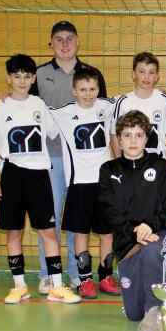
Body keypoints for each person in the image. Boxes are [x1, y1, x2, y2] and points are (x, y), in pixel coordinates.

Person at [0, 54, 80, 304]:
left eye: (26, 76)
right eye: (16, 76)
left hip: (38, 175)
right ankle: (19, 286)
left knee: (48, 231)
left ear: (33, 78)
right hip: (12, 175)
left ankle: (56, 286)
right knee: (13, 232)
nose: (21, 80)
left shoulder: (39, 104)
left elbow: (54, 131)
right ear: (8, 78)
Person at [32, 21, 108, 293]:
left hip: (84, 163)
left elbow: (102, 117)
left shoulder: (91, 74)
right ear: (51, 43)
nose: (64, 43)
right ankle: (48, 273)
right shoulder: (39, 74)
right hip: (50, 159)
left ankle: (78, 274)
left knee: (80, 220)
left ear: (78, 41)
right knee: (49, 217)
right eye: (58, 39)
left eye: (69, 38)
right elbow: (25, 104)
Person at [97, 110, 166, 331]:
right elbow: (108, 210)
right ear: (119, 139)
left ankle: (154, 310)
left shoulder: (159, 165)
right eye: (127, 135)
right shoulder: (108, 170)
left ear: (147, 138)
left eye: (139, 135)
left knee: (152, 250)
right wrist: (133, 232)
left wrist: (151, 226)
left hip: (156, 234)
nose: (133, 141)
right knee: (133, 313)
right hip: (127, 242)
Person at [49, 68, 119, 299]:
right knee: (81, 234)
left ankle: (106, 276)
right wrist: (7, 97)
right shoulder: (63, 113)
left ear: (98, 89)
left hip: (104, 184)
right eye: (83, 89)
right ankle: (85, 280)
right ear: (74, 91)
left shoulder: (107, 107)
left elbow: (133, 99)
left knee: (107, 234)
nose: (88, 94)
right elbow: (33, 108)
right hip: (79, 184)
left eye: (92, 89)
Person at [110, 52, 166, 160]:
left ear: (157, 76)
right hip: (130, 162)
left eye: (151, 72)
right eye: (142, 71)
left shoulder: (165, 100)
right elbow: (114, 135)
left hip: (156, 162)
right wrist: (119, 163)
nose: (146, 76)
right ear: (133, 74)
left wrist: (163, 161)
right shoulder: (123, 102)